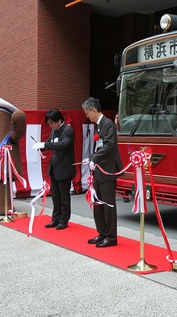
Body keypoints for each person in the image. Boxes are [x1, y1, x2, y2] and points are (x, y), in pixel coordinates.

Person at [82, 97, 123, 248]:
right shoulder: (100, 126)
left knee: (108, 205)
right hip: (99, 169)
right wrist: (91, 159)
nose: (87, 116)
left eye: (87, 113)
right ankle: (102, 233)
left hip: (107, 169)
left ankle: (111, 236)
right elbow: (100, 146)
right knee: (97, 203)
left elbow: (109, 145)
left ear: (94, 110)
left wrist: (93, 158)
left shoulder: (108, 124)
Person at [32, 109, 75, 230]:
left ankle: (64, 220)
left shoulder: (68, 130)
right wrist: (41, 146)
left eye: (52, 123)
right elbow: (49, 142)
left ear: (59, 120)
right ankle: (55, 219)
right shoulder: (54, 130)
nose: (51, 126)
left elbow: (63, 144)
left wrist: (44, 145)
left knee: (64, 196)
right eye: (49, 124)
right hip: (55, 167)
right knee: (55, 195)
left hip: (64, 168)